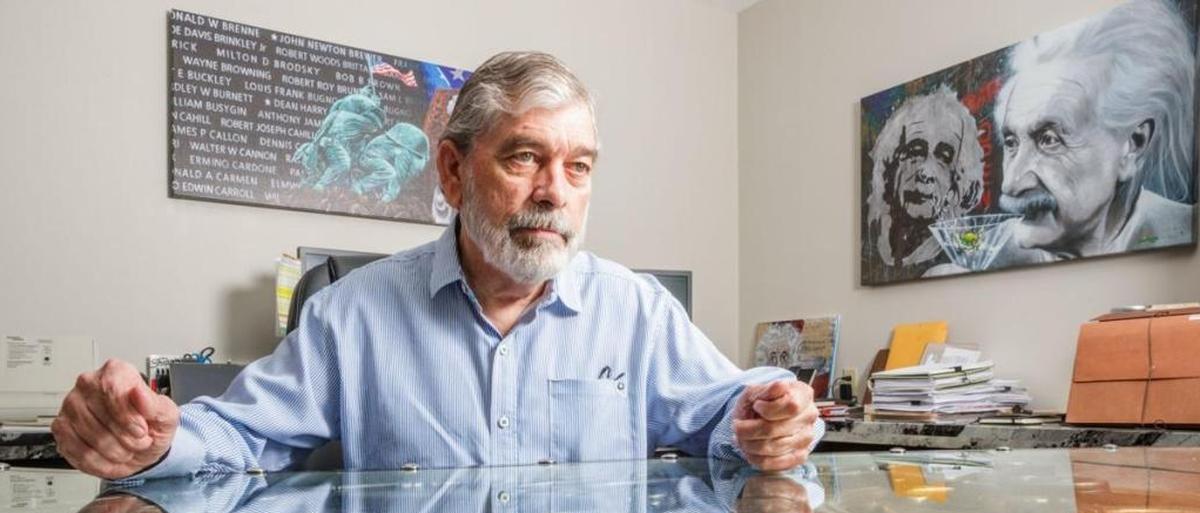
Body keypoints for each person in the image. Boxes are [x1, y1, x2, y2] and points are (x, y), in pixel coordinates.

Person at [52, 51, 823, 480]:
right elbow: (240, 434)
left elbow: (731, 407)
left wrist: (770, 419)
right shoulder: (350, 313)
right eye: (525, 157)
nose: (555, 192)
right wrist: (152, 441)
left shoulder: (637, 310)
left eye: (579, 167)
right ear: (452, 174)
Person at [991, 0, 1195, 265]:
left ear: (1133, 145)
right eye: (1011, 142)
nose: (1011, 183)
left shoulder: (1179, 229)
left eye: (1049, 140)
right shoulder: (988, 252)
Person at [864, 86, 984, 283]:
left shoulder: (957, 264)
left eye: (944, 158)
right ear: (891, 164)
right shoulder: (869, 245)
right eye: (914, 152)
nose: (925, 173)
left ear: (959, 181)